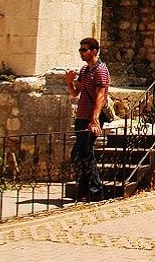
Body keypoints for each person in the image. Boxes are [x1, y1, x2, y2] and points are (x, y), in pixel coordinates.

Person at [64, 37, 110, 202]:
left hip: (92, 117)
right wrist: (69, 82)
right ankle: (83, 188)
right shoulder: (85, 70)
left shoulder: (101, 70)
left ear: (94, 51)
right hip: (81, 116)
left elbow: (100, 95)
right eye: (80, 50)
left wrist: (95, 119)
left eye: (84, 50)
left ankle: (95, 190)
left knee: (85, 152)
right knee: (78, 152)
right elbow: (76, 92)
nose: (82, 53)